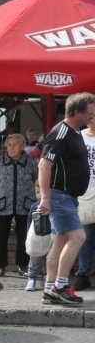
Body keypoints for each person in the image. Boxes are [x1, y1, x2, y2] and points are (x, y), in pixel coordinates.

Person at [36, 92, 95, 305]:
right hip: (60, 195)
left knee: (60, 242)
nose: (92, 115)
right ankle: (61, 286)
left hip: (67, 196)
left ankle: (49, 288)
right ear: (77, 112)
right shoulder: (61, 132)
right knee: (78, 237)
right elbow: (44, 164)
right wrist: (45, 197)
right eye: (89, 112)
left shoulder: (73, 132)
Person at [0, 133, 37, 277]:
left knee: (24, 235)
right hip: (3, 203)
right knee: (0, 235)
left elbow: (35, 178)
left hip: (25, 203)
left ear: (22, 146)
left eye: (15, 145)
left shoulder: (31, 162)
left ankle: (23, 265)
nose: (11, 148)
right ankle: (0, 266)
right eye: (9, 145)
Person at [74, 115, 95, 291]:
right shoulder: (78, 136)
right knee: (84, 236)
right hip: (84, 191)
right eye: (90, 114)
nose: (91, 118)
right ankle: (83, 274)